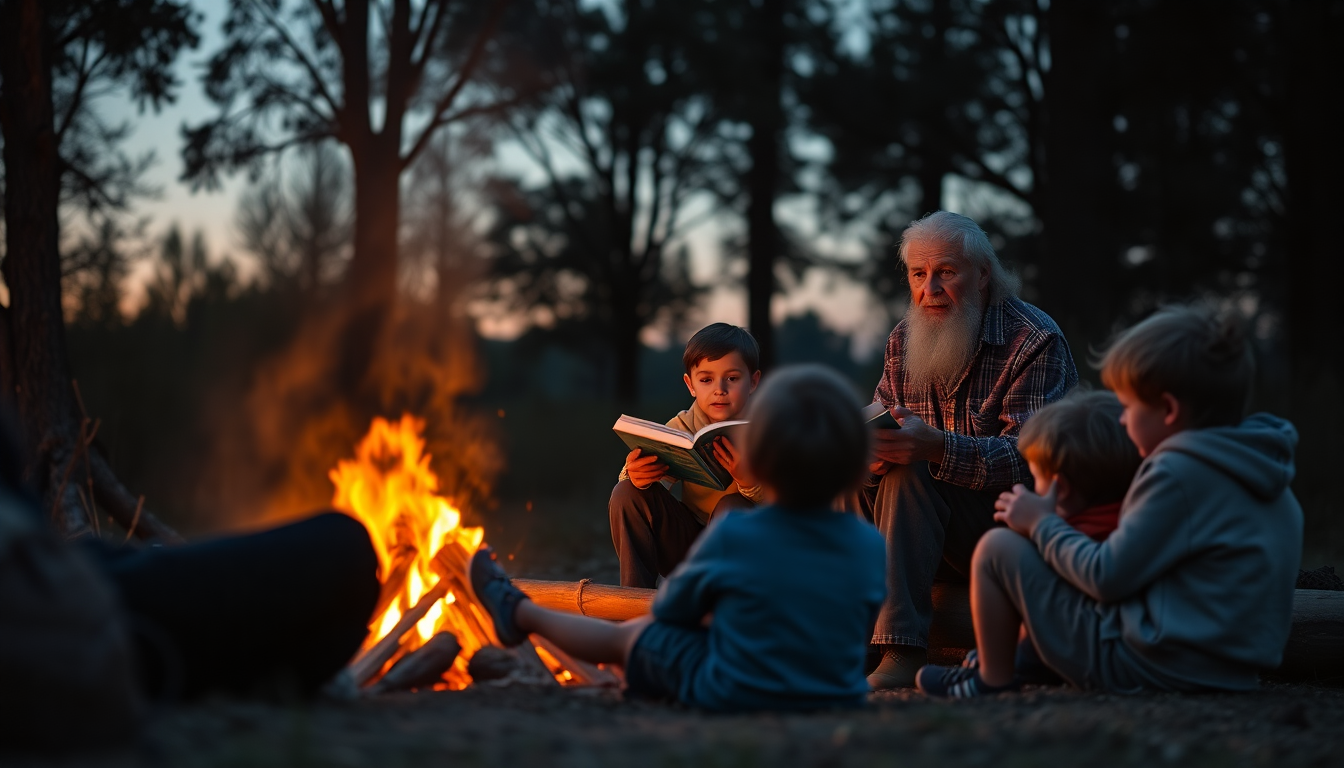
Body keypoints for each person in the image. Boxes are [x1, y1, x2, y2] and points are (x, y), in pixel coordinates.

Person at [917, 306, 1303, 697]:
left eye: (1130, 408)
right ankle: (1032, 657)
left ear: (1168, 410)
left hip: (1150, 665)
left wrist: (1040, 524)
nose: (1121, 421)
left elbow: (1106, 577)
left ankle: (991, 678)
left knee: (999, 547)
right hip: (1234, 672)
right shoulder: (1271, 480)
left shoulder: (1175, 473)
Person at [474, 365, 887, 711]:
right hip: (833, 692)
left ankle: (520, 613)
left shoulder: (740, 531)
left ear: (761, 457)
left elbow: (671, 611)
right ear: (854, 468)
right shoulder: (869, 545)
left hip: (735, 687)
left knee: (629, 636)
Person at [857, 211, 1078, 689]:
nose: (929, 288)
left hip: (1007, 532)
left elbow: (1033, 459)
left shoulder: (1035, 341)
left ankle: (901, 649)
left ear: (982, 275)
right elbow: (885, 420)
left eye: (946, 271)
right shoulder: (903, 339)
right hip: (917, 533)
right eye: (919, 273)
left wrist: (938, 449)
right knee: (851, 482)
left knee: (911, 474)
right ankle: (839, 642)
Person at [956, 389, 1142, 683]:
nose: (1034, 490)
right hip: (1110, 641)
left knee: (1000, 549)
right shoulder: (1133, 522)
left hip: (1091, 649)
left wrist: (1033, 530)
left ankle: (991, 677)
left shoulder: (1077, 533)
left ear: (1061, 488)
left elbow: (1041, 595)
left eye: (1037, 478)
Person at [610, 323, 766, 587]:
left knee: (733, 506)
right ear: (690, 384)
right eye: (706, 380)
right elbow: (650, 493)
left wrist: (750, 483)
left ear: (753, 381)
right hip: (689, 549)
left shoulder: (768, 429)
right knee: (625, 492)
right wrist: (636, 475)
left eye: (732, 378)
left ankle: (724, 602)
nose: (719, 390)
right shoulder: (682, 427)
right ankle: (633, 603)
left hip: (750, 554)